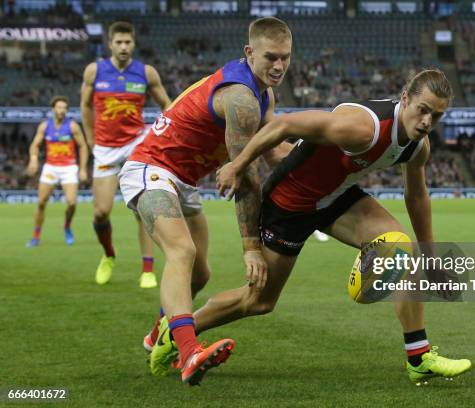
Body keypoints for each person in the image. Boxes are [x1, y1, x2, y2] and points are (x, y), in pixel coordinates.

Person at [191, 69, 472, 385]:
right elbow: (284, 125)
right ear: (405, 98)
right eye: (423, 110)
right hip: (289, 203)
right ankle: (180, 330)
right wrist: (237, 164)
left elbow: (417, 196)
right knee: (259, 302)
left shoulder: (418, 146)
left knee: (399, 248)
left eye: (436, 116)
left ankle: (419, 358)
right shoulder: (362, 128)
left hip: (337, 197)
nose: (426, 122)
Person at [118, 17, 293, 385]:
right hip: (149, 169)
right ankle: (188, 352)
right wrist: (250, 247)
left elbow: (275, 152)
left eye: (286, 58)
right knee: (182, 252)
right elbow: (245, 174)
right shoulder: (242, 98)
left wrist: (328, 156)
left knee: (201, 274)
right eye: (271, 57)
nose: (279, 67)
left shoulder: (264, 94)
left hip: (182, 180)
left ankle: (156, 337)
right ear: (249, 53)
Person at [80, 21, 172, 288]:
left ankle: (147, 269)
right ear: (110, 43)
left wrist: (157, 137)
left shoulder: (146, 73)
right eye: (118, 42)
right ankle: (108, 255)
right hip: (106, 148)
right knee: (100, 212)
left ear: (133, 43)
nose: (123, 46)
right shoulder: (94, 71)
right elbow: (85, 106)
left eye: (127, 42)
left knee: (143, 210)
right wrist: (90, 140)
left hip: (137, 146)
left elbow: (167, 105)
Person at [26, 96, 88, 247]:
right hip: (51, 167)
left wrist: (83, 169)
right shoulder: (45, 126)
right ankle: (36, 235)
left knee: (72, 203)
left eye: (64, 108)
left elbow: (83, 146)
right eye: (59, 107)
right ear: (53, 109)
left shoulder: (73, 126)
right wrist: (33, 159)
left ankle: (67, 226)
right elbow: (34, 145)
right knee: (41, 202)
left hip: (69, 167)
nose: (62, 110)